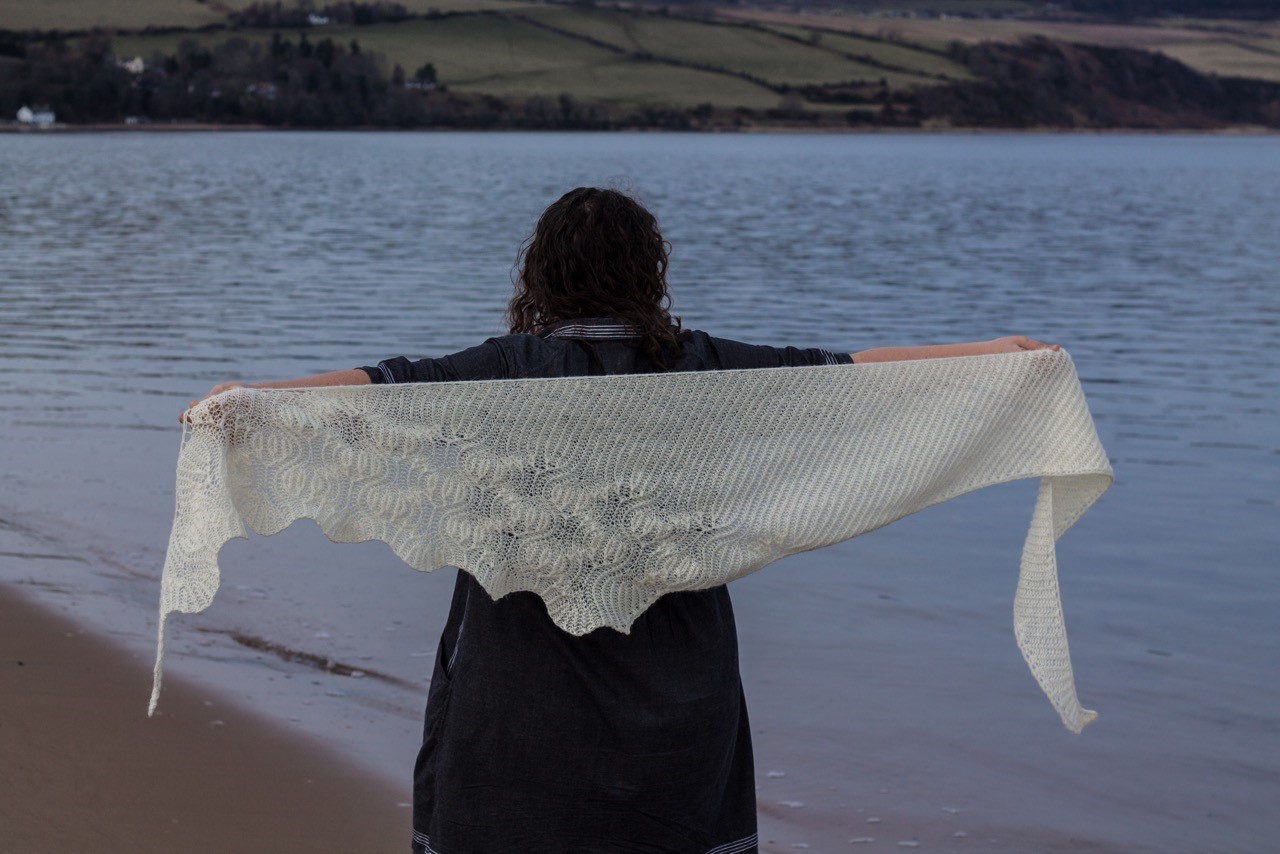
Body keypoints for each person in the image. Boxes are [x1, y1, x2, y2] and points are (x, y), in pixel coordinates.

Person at [186, 187, 1059, 853]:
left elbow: (380, 388)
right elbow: (855, 377)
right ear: (648, 274)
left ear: (542, 273)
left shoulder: (505, 371)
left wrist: (249, 401)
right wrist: (991, 358)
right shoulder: (706, 369)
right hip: (679, 694)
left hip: (515, 698)